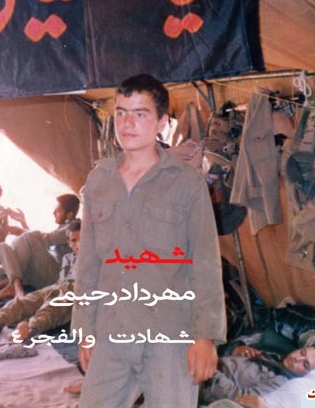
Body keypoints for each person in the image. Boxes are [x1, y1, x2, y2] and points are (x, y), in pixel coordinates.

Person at [72, 74, 227, 408]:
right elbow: (88, 265)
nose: (127, 123)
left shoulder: (186, 183)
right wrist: (85, 329)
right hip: (112, 331)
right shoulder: (99, 180)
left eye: (140, 113)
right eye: (121, 113)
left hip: (169, 336)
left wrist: (205, 337)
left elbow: (206, 264)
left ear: (162, 122)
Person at [1, 193, 81, 293]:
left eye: (58, 210)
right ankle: (14, 280)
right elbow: (37, 242)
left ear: (69, 215)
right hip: (51, 271)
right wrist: (23, 222)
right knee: (24, 239)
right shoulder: (66, 226)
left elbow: (44, 239)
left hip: (57, 277)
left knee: (26, 237)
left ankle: (14, 284)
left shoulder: (73, 229)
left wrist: (22, 230)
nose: (53, 213)